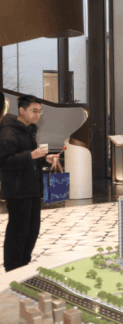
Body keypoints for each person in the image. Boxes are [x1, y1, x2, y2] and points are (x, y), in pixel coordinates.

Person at [0, 95, 59, 272]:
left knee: (32, 230)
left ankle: (23, 265)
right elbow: (4, 161)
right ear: (22, 110)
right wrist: (31, 155)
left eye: (40, 111)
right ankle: (13, 268)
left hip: (32, 188)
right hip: (18, 190)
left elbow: (29, 158)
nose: (37, 114)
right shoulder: (8, 131)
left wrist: (44, 159)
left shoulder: (28, 130)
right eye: (34, 111)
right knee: (18, 231)